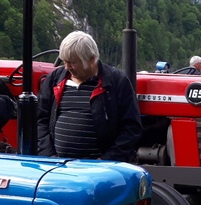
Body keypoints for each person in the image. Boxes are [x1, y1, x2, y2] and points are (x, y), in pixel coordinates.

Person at [38, 30, 142, 163]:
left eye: (72, 62)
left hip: (101, 170)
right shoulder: (54, 79)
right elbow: (41, 119)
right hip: (58, 167)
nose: (67, 67)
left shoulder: (117, 82)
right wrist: (49, 156)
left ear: (92, 59)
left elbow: (131, 127)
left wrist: (106, 160)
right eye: (64, 61)